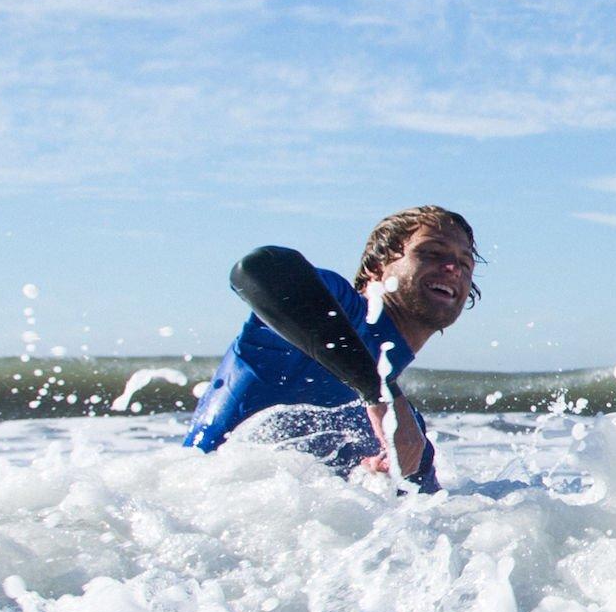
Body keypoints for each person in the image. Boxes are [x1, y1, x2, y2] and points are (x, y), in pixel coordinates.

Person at [183, 205, 479, 488]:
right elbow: (258, 268)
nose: (453, 268)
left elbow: (432, 520)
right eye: (430, 253)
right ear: (377, 268)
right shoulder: (336, 306)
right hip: (191, 508)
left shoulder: (406, 433)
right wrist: (378, 393)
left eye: (465, 263)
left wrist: (375, 490)